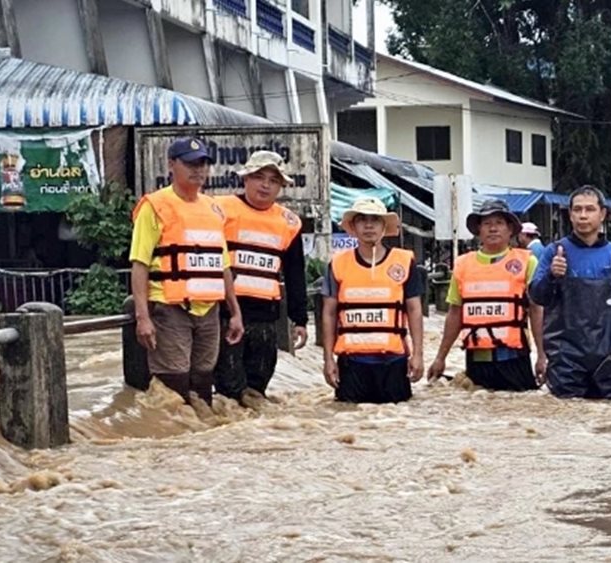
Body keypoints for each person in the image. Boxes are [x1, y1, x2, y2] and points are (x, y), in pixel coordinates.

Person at [130, 137, 244, 407]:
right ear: (172, 164)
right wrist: (142, 317)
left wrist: (235, 312)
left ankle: (199, 441)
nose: (199, 170)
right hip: (170, 308)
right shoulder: (155, 206)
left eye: (203, 164)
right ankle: (172, 437)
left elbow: (223, 264)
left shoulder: (214, 208)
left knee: (204, 380)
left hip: (209, 310)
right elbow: (139, 263)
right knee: (174, 381)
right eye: (191, 164)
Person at [530, 185, 611, 399]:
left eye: (589, 209)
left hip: (610, 362)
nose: (583, 216)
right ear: (569, 215)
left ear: (603, 214)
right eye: (577, 210)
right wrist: (552, 275)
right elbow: (537, 297)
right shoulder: (554, 252)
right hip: (565, 363)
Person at [214, 151, 308, 402]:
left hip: (266, 317)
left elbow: (295, 273)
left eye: (273, 180)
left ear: (281, 186)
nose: (265, 185)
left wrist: (299, 319)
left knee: (257, 388)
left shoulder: (289, 223)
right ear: (245, 179)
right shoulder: (220, 211)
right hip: (226, 314)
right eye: (259, 177)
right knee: (229, 388)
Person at [427, 199, 546, 391]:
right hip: (476, 359)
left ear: (510, 230)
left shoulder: (527, 262)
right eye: (487, 224)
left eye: (499, 223)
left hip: (514, 358)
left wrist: (542, 355)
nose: (493, 229)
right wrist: (440, 358)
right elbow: (454, 314)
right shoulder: (463, 265)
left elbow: (536, 311)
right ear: (479, 231)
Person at [321, 198, 424, 403]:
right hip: (352, 364)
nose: (369, 226)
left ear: (384, 226)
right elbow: (329, 313)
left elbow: (414, 310)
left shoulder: (404, 262)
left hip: (394, 362)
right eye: (362, 220)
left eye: (375, 220)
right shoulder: (338, 264)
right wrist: (328, 360)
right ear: (354, 226)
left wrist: (418, 355)